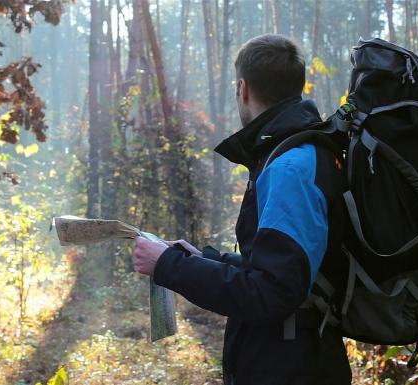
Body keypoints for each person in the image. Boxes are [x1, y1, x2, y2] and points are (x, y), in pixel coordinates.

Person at [131, 34, 352, 385]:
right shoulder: (301, 153)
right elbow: (284, 269)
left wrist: (168, 266)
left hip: (288, 367)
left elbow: (271, 293)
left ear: (243, 88)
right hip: (299, 355)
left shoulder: (289, 168)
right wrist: (201, 259)